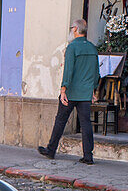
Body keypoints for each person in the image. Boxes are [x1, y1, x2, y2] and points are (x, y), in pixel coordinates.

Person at [39, 19, 100, 165]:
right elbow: (96, 72)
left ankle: (51, 149)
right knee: (86, 124)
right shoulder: (92, 48)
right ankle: (88, 155)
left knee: (60, 120)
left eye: (71, 28)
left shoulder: (72, 47)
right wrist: (93, 90)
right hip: (85, 92)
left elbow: (68, 70)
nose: (71, 30)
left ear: (75, 30)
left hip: (72, 91)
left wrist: (63, 89)